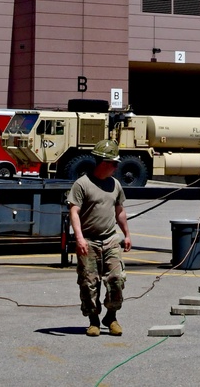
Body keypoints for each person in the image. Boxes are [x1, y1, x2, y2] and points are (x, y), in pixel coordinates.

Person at [67, 139, 133, 336]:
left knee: (116, 279)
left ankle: (111, 316)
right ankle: (93, 320)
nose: (116, 167)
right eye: (114, 163)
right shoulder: (82, 184)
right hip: (89, 240)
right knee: (89, 282)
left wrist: (127, 234)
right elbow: (74, 212)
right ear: (103, 162)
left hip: (110, 239)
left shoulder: (115, 184)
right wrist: (79, 239)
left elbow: (120, 211)